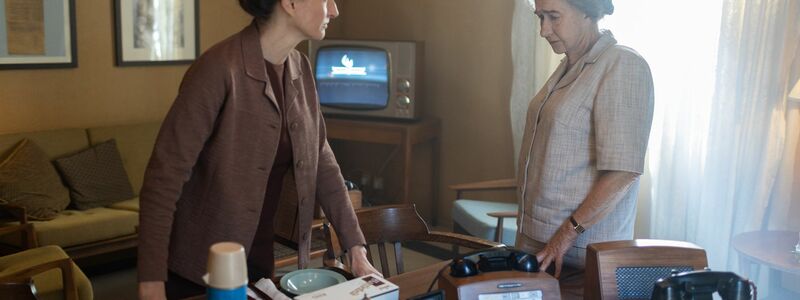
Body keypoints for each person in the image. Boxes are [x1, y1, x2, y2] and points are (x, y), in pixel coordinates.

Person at [137, 0, 381, 298]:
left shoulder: (301, 69)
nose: (334, 10)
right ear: (290, 3)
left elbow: (324, 165)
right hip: (200, 269)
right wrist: (150, 282)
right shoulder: (218, 67)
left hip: (258, 264)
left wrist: (356, 248)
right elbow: (163, 179)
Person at [515, 0, 654, 298]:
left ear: (588, 11)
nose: (543, 30)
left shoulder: (622, 65)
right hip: (540, 244)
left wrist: (563, 237)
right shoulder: (569, 66)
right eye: (540, 17)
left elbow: (623, 170)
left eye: (553, 17)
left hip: (578, 255)